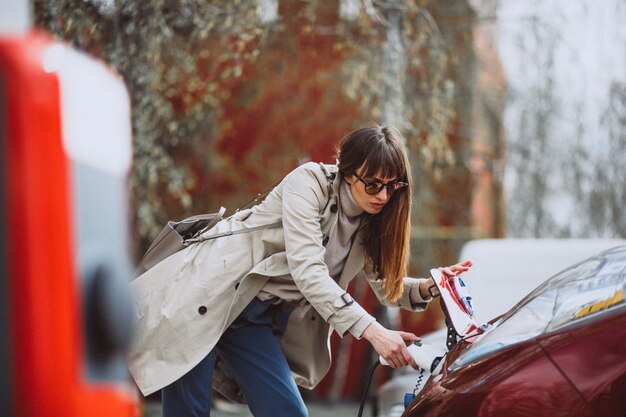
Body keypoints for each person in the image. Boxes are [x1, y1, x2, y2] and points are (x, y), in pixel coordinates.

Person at [127, 124, 472, 417]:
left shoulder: (369, 222)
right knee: (190, 411)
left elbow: (386, 286)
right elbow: (308, 270)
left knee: (286, 411)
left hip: (252, 317)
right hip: (206, 296)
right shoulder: (308, 184)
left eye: (392, 185)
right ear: (346, 172)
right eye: (373, 184)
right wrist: (375, 333)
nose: (383, 195)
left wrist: (430, 287)